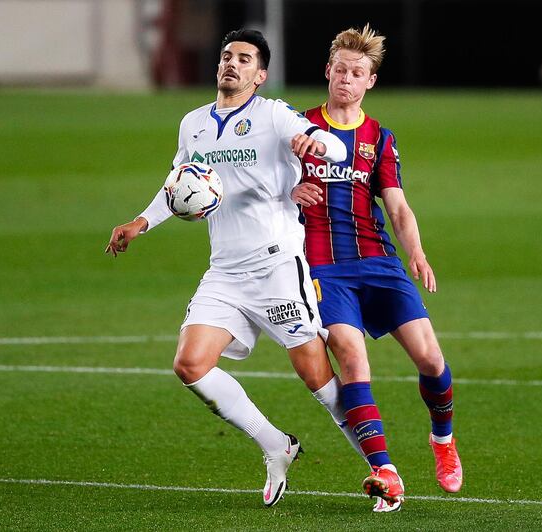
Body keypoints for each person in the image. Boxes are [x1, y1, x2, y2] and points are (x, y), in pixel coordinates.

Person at [105, 29, 362, 508]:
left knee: (321, 384)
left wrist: (315, 144)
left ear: (259, 75)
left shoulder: (273, 115)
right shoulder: (194, 123)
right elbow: (177, 184)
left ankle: (380, 469)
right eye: (227, 56)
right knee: (190, 363)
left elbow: (338, 149)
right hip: (224, 271)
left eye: (244, 59)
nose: (232, 64)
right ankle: (275, 444)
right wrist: (141, 221)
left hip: (277, 267)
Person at [291, 24, 464, 513]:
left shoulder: (378, 138)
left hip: (379, 261)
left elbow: (398, 207)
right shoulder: (295, 129)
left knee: (430, 359)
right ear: (328, 72)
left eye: (358, 72)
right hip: (322, 267)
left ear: (370, 82)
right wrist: (287, 194)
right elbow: (261, 190)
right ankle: (384, 469)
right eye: (341, 69)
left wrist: (417, 253)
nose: (347, 78)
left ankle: (442, 439)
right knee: (349, 353)